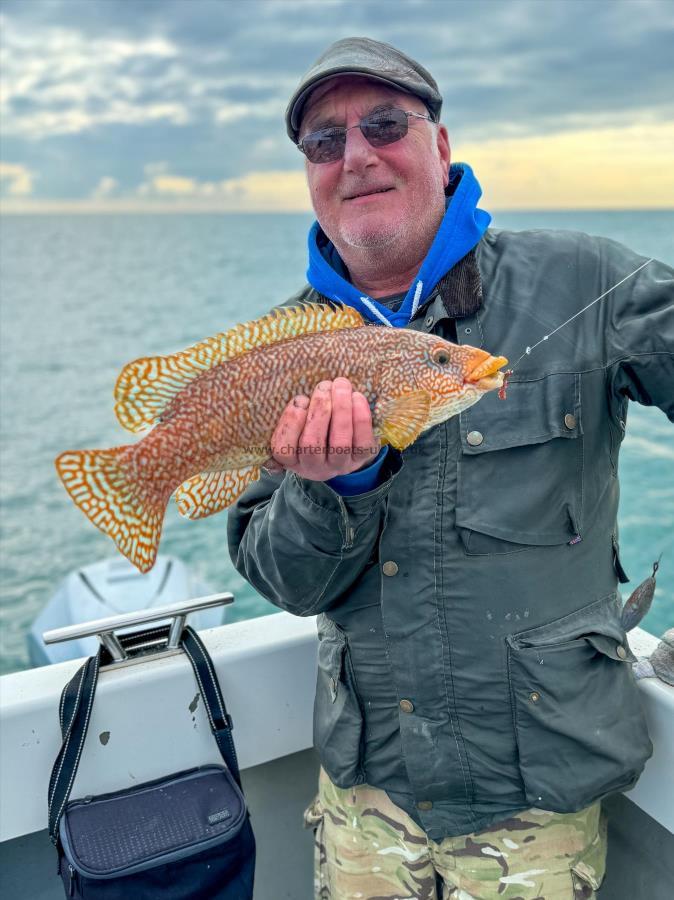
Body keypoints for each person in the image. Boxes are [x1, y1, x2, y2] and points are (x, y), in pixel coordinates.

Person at [228, 37, 674, 899]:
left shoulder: (585, 280)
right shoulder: (283, 350)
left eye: (384, 124)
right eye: (325, 142)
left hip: (538, 810)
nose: (355, 155)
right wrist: (334, 489)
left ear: (439, 146)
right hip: (367, 803)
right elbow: (280, 579)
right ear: (311, 175)